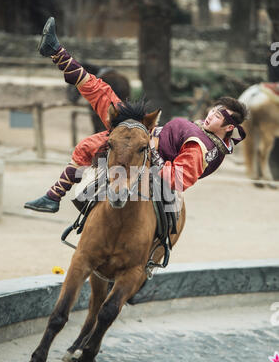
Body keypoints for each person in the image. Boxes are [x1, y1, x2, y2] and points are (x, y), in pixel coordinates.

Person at [24, 17, 247, 214]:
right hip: (142, 136)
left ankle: (53, 196)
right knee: (103, 94)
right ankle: (56, 52)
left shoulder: (202, 148)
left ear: (228, 128)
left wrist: (148, 148)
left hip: (142, 155)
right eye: (215, 110)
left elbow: (179, 179)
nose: (212, 116)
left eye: (220, 117)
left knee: (90, 140)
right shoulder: (200, 131)